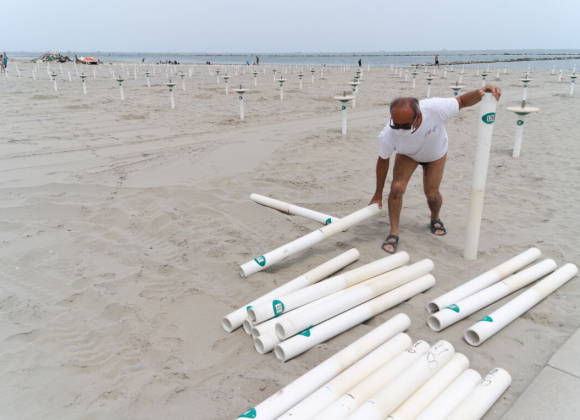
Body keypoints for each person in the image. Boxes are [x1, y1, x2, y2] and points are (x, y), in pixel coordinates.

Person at [369, 85, 502, 253]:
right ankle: (394, 231)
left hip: (435, 154)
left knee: (432, 194)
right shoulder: (388, 134)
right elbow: (383, 161)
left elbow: (462, 101)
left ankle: (435, 218)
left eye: (405, 126)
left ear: (418, 117)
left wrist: (480, 93)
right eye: (397, 125)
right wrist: (377, 193)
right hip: (408, 155)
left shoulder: (435, 108)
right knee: (396, 188)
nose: (400, 130)